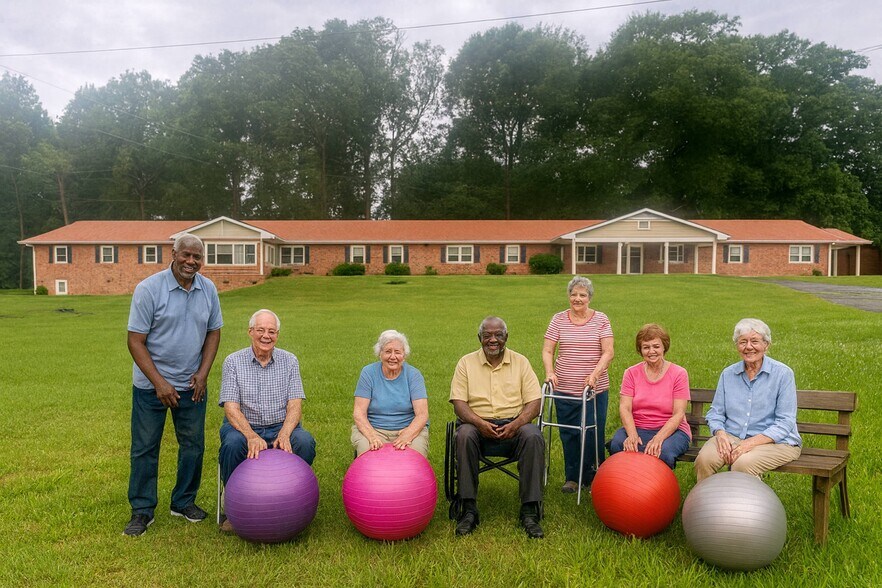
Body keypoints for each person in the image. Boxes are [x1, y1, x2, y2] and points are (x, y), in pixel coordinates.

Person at [124, 233, 223, 537]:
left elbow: (213, 332)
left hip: (191, 385)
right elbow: (135, 341)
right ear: (174, 253)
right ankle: (142, 510)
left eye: (197, 257)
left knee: (193, 446)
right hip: (150, 387)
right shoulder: (149, 290)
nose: (191, 262)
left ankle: (183, 502)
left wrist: (204, 373)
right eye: (186, 255)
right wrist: (160, 383)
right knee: (145, 448)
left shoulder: (208, 290)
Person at [218, 309, 317, 532]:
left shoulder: (289, 360)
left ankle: (295, 498)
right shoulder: (233, 361)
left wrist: (284, 433)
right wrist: (251, 435)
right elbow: (231, 408)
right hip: (243, 426)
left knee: (304, 441)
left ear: (277, 335)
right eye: (260, 330)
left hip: (279, 425)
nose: (266, 336)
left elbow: (295, 405)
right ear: (250, 331)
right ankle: (232, 507)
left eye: (271, 331)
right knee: (233, 445)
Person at [450, 316, 545, 539]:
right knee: (463, 434)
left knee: (533, 435)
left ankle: (530, 511)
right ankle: (468, 509)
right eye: (487, 335)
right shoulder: (466, 363)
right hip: (476, 427)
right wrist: (479, 423)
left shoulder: (521, 362)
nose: (493, 340)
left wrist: (518, 423)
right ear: (479, 338)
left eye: (498, 335)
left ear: (506, 337)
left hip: (514, 426)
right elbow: (459, 404)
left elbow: (535, 402)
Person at [695, 318, 801, 481]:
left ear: (766, 345)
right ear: (737, 346)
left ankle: (751, 506)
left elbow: (785, 422)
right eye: (743, 342)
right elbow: (715, 413)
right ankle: (705, 505)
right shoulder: (728, 374)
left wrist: (749, 444)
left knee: (742, 464)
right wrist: (720, 434)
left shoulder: (783, 374)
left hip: (777, 443)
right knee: (705, 460)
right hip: (732, 437)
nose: (748, 347)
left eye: (755, 341)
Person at [542, 276, 614, 493]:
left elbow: (608, 352)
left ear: (589, 298)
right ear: (568, 296)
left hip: (594, 389)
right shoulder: (559, 319)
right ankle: (572, 478)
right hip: (564, 387)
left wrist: (594, 374)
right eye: (574, 294)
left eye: (582, 295)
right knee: (569, 433)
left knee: (593, 432)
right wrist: (549, 372)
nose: (577, 298)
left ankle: (594, 477)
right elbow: (548, 350)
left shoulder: (601, 319)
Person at [608, 324, 691, 469]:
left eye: (656, 346)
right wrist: (632, 435)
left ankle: (659, 489)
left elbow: (678, 414)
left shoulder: (679, 373)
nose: (651, 351)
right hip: (639, 427)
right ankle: (626, 486)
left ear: (664, 347)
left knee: (662, 451)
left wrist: (658, 438)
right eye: (646, 347)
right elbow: (625, 407)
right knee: (618, 444)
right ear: (640, 350)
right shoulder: (631, 373)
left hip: (672, 431)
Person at [351, 330, 429, 457]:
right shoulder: (368, 373)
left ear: (404, 355)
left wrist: (407, 434)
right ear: (380, 354)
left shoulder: (414, 375)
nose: (393, 357)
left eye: (397, 352)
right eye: (388, 351)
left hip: (407, 428)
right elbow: (359, 413)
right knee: (369, 454)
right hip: (374, 428)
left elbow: (422, 414)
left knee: (413, 456)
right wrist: (372, 436)